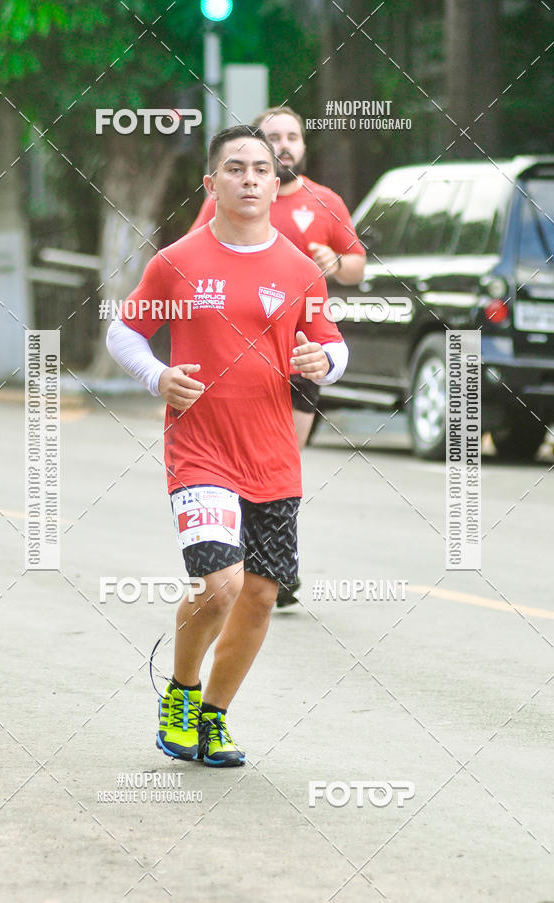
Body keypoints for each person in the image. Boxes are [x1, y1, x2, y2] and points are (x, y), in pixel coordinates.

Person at [106, 125, 349, 767]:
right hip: (201, 452)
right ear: (211, 184)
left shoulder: (299, 270)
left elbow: (334, 342)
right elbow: (124, 334)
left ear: (276, 182)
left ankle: (214, 718)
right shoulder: (178, 261)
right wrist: (157, 375)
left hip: (273, 456)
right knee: (219, 585)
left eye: (259, 169)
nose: (248, 179)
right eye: (234, 169)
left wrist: (323, 360)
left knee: (262, 595)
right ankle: (181, 695)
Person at [192, 106, 366, 608]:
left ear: (302, 146)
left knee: (282, 460)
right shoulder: (231, 197)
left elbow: (356, 267)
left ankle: (271, 563)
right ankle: (236, 558)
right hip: (237, 355)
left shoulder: (324, 200)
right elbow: (196, 250)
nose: (284, 145)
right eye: (274, 138)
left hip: (301, 352)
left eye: (292, 136)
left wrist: (335, 262)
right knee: (242, 460)